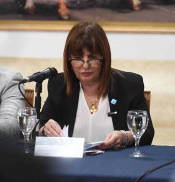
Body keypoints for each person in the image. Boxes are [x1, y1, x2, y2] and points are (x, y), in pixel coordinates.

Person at [38, 21, 154, 150]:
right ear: (69, 60)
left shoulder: (129, 85)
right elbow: (38, 128)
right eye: (78, 58)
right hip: (71, 164)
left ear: (104, 58)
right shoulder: (58, 84)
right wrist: (45, 130)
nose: (86, 65)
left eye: (92, 58)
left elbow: (147, 133)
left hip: (116, 164)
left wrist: (125, 136)